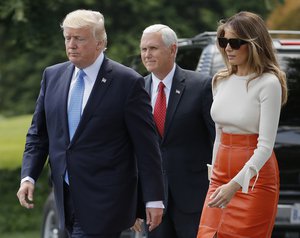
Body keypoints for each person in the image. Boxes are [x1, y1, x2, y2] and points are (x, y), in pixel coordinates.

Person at [16, 9, 165, 238]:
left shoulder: (127, 82)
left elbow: (147, 147)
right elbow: (39, 134)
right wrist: (29, 176)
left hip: (106, 201)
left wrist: (153, 198)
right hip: (64, 199)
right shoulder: (52, 76)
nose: (72, 45)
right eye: (68, 38)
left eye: (79, 38)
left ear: (100, 43)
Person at [197, 11, 288, 238]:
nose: (228, 48)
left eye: (235, 43)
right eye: (224, 41)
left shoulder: (268, 83)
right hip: (220, 177)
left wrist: (233, 186)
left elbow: (265, 147)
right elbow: (219, 135)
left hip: (254, 181)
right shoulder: (220, 80)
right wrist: (214, 179)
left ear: (253, 44)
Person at [135, 24, 215, 238]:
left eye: (153, 48)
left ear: (173, 49)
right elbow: (131, 148)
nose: (147, 54)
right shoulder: (136, 90)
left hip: (194, 200)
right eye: (143, 49)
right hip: (152, 201)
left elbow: (216, 141)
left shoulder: (200, 86)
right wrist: (133, 203)